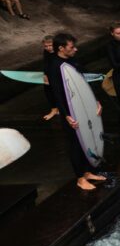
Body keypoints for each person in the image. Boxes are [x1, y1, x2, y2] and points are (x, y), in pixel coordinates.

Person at [45, 33, 107, 191]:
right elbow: (57, 94)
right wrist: (66, 115)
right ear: (61, 48)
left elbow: (84, 83)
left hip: (82, 107)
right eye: (72, 47)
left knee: (86, 139)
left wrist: (95, 101)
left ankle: (87, 172)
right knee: (74, 144)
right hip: (70, 112)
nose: (76, 49)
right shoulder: (54, 66)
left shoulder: (71, 61)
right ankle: (80, 178)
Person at [40, 35, 59, 121]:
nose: (48, 48)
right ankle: (54, 109)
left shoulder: (60, 51)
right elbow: (46, 64)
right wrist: (45, 75)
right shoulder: (46, 51)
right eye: (45, 46)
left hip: (61, 72)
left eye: (50, 45)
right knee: (47, 87)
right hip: (51, 72)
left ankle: (61, 109)